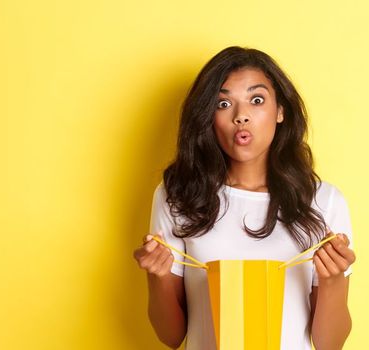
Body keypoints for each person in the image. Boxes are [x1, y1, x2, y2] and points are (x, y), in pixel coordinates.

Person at [133, 46, 356, 350]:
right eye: (224, 103)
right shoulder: (179, 196)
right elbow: (171, 336)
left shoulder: (324, 202)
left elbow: (329, 344)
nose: (241, 116)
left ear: (280, 111)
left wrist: (333, 280)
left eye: (257, 100)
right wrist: (156, 277)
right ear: (209, 118)